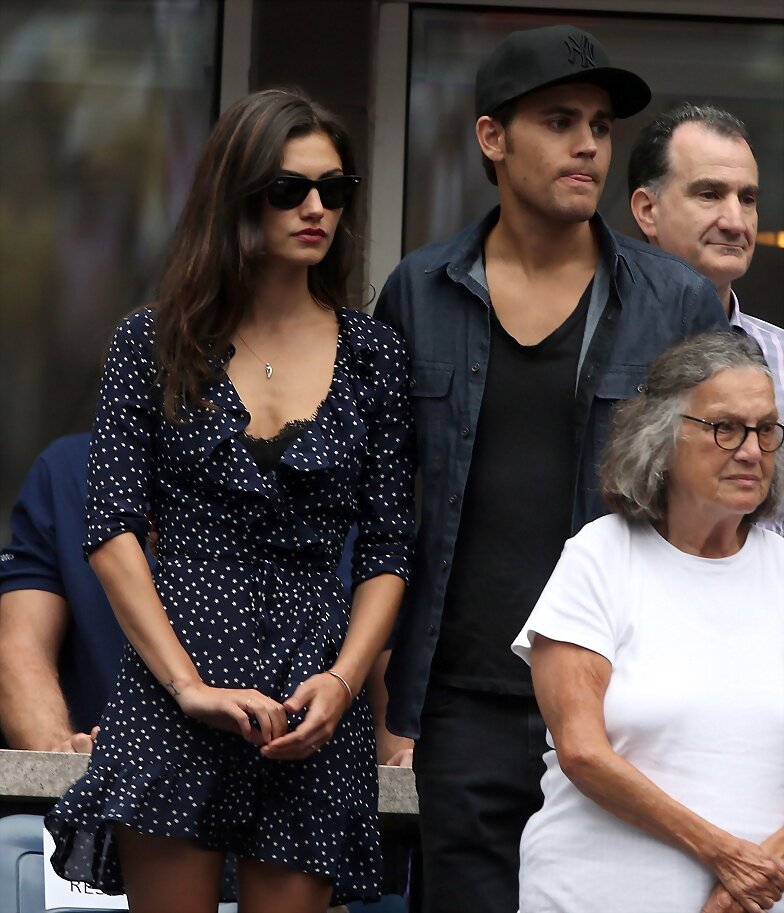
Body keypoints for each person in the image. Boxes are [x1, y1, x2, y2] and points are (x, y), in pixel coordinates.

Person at [375, 24, 727, 913]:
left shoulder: (674, 298)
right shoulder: (420, 291)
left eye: (601, 126)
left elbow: (720, 506)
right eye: (560, 120)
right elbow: (382, 505)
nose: (588, 146)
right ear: (493, 138)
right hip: (465, 696)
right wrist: (383, 696)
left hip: (627, 698)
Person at [44, 88, 416, 913]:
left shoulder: (376, 355)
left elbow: (391, 548)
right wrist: (185, 686)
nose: (317, 207)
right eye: (289, 188)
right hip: (177, 682)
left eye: (335, 188)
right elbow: (109, 528)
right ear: (235, 194)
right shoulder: (154, 340)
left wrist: (346, 683)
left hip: (310, 700)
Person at [512, 330, 784, 913]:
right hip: (593, 894)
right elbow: (582, 751)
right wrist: (724, 856)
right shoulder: (601, 556)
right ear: (661, 435)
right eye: (725, 427)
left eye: (766, 429)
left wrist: (759, 880)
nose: (751, 450)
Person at [628, 102, 784, 535]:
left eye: (747, 199)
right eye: (710, 194)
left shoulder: (781, 358)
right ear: (647, 211)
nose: (736, 221)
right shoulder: (596, 348)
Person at [0, 433, 126, 752]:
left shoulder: (262, 475)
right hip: (103, 786)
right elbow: (20, 646)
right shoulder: (71, 469)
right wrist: (61, 754)